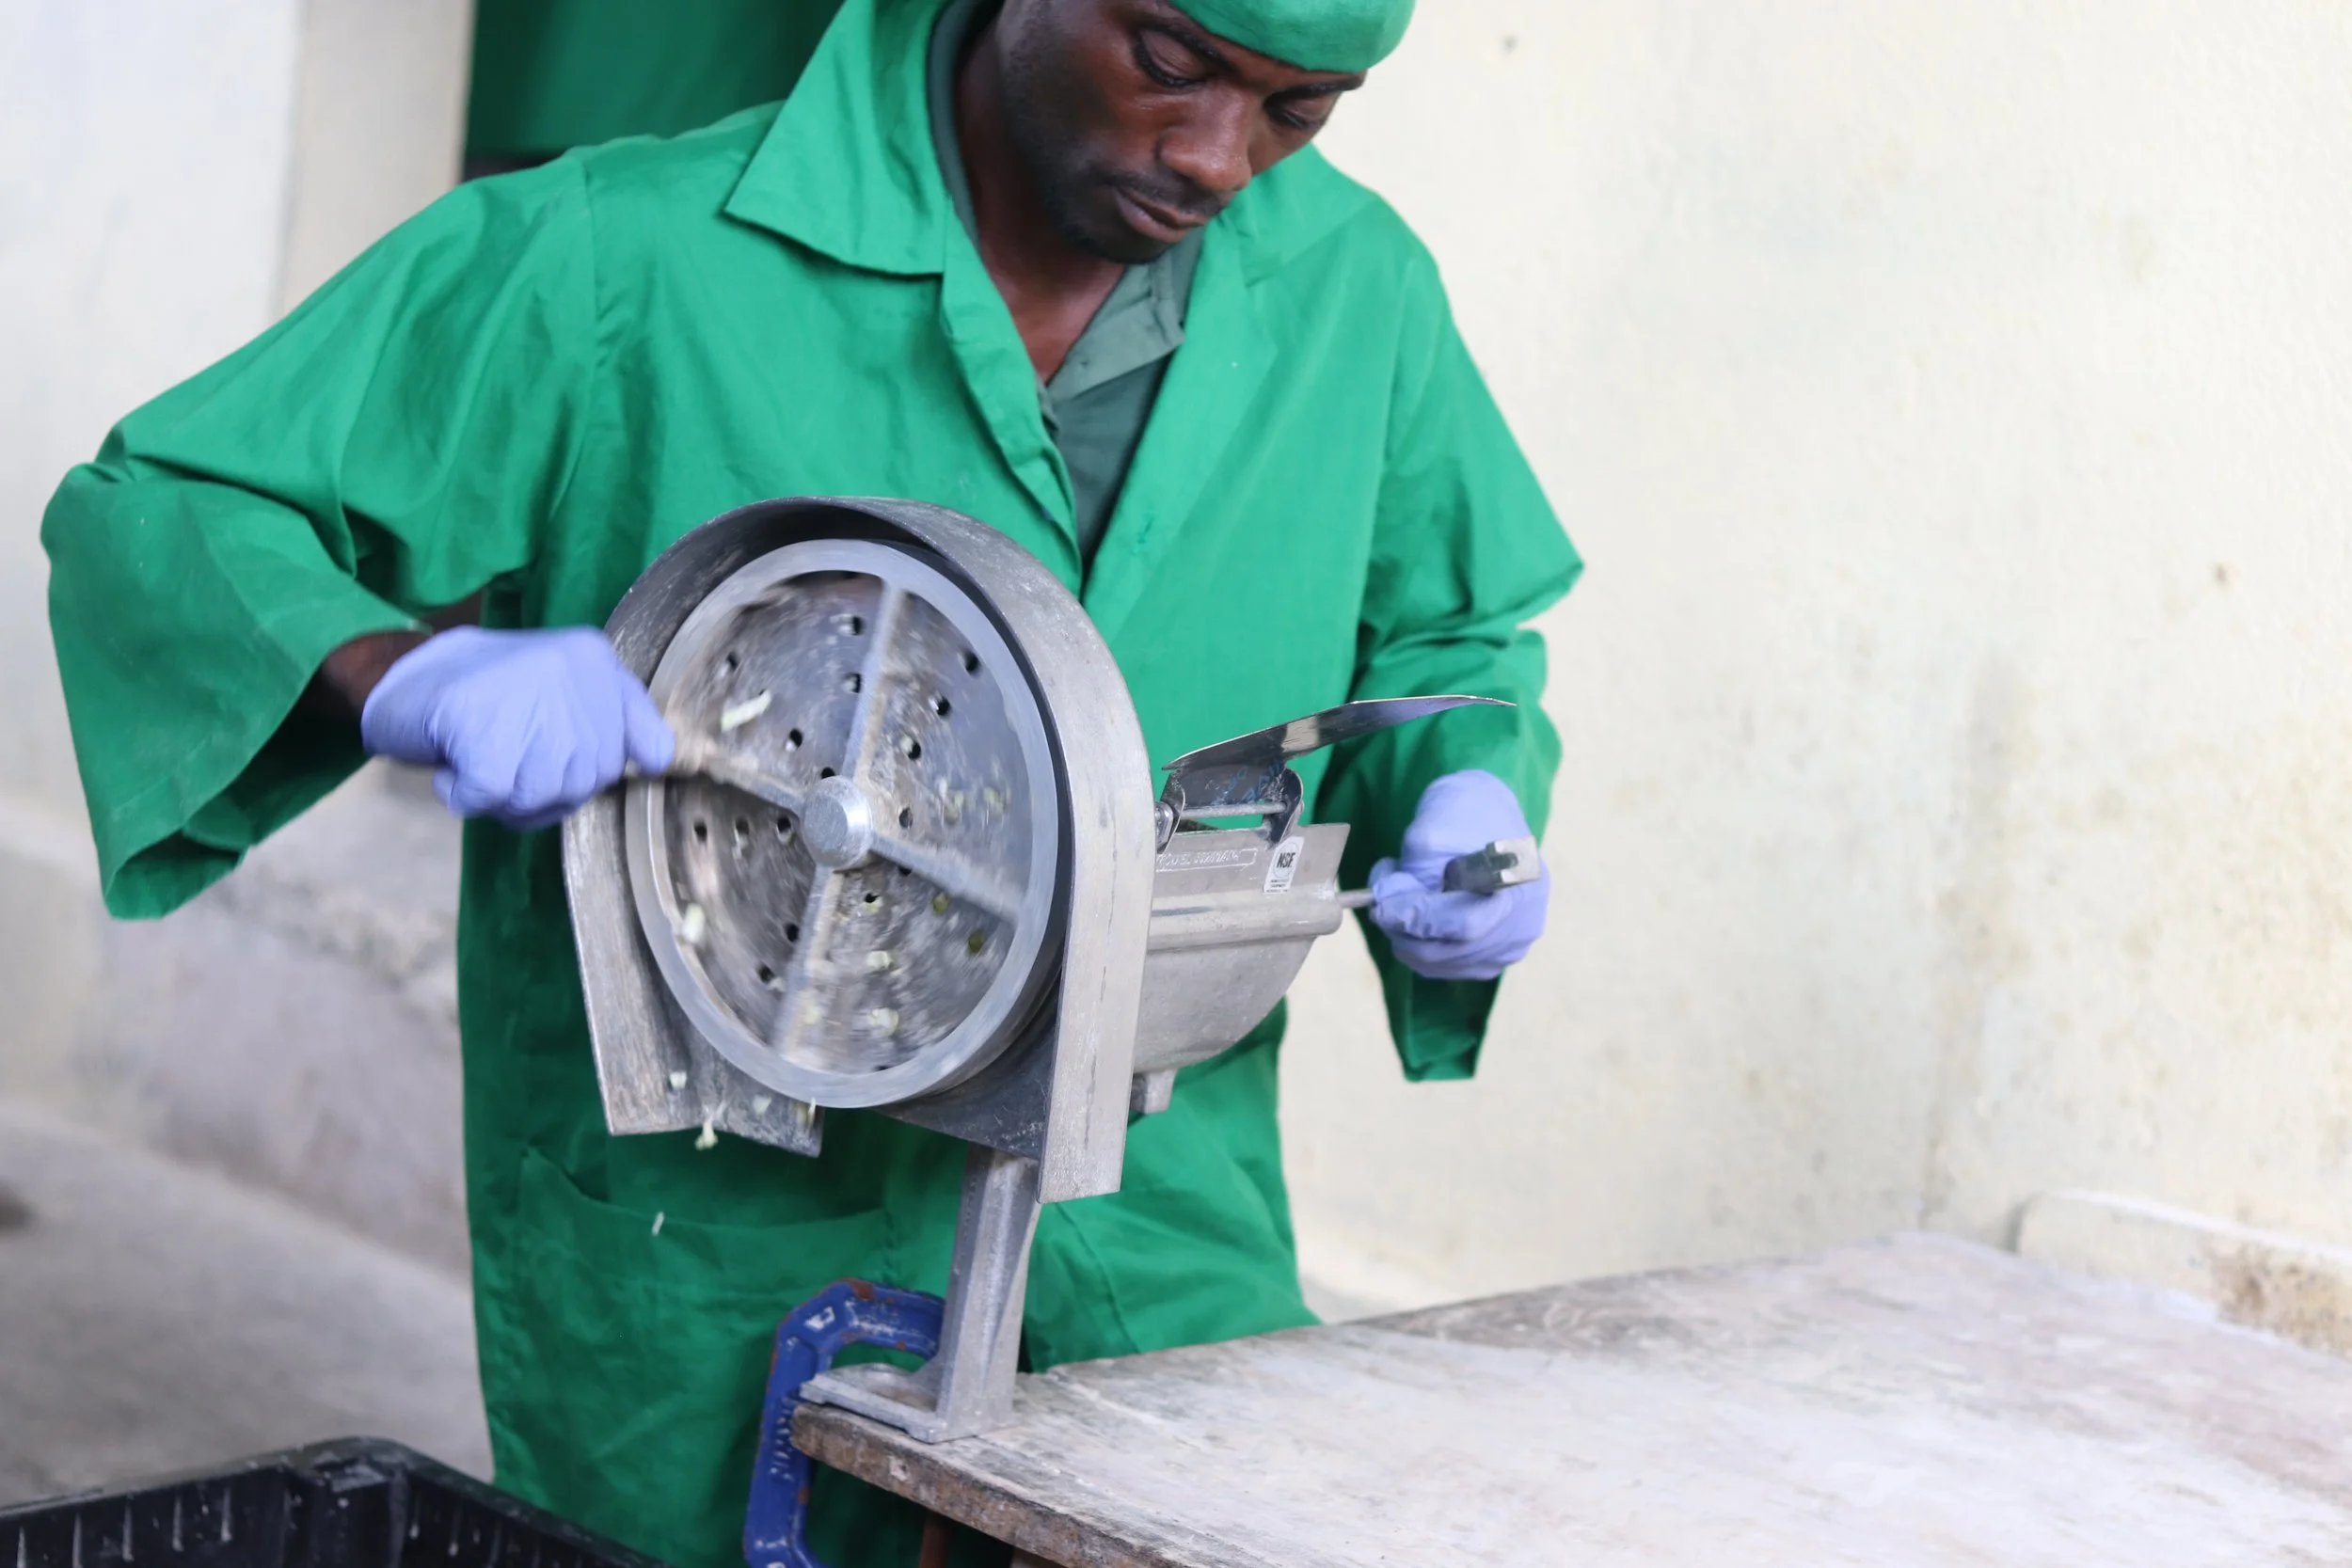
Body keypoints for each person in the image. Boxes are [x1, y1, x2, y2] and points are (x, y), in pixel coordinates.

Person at [42, 0, 1580, 1562]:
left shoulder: (1354, 295)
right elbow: (162, 505)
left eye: (1299, 110)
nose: (1212, 156)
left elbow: (1460, 623)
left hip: (1154, 1186)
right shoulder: (633, 261)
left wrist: (1469, 792)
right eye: (1171, 64)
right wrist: (404, 675)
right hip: (728, 1201)